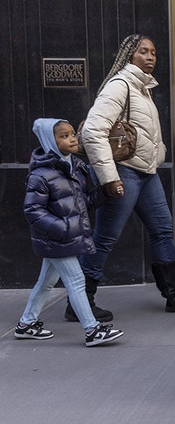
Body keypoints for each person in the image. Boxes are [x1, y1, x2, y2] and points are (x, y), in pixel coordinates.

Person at [75, 34, 175, 319]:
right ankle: (78, 301)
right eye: (143, 52)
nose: (150, 57)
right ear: (129, 55)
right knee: (105, 238)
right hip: (124, 172)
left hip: (146, 173)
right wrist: (109, 178)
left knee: (162, 230)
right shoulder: (120, 85)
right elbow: (91, 131)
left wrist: (157, 155)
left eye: (154, 53)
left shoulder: (144, 89)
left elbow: (148, 133)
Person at [16, 118, 124, 346]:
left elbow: (81, 202)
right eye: (63, 136)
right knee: (76, 281)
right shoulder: (41, 174)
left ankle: (26, 324)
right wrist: (62, 228)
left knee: (46, 282)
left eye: (72, 133)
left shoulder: (73, 167)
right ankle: (92, 330)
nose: (73, 138)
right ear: (49, 141)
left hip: (63, 238)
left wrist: (105, 193)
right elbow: (32, 210)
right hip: (57, 239)